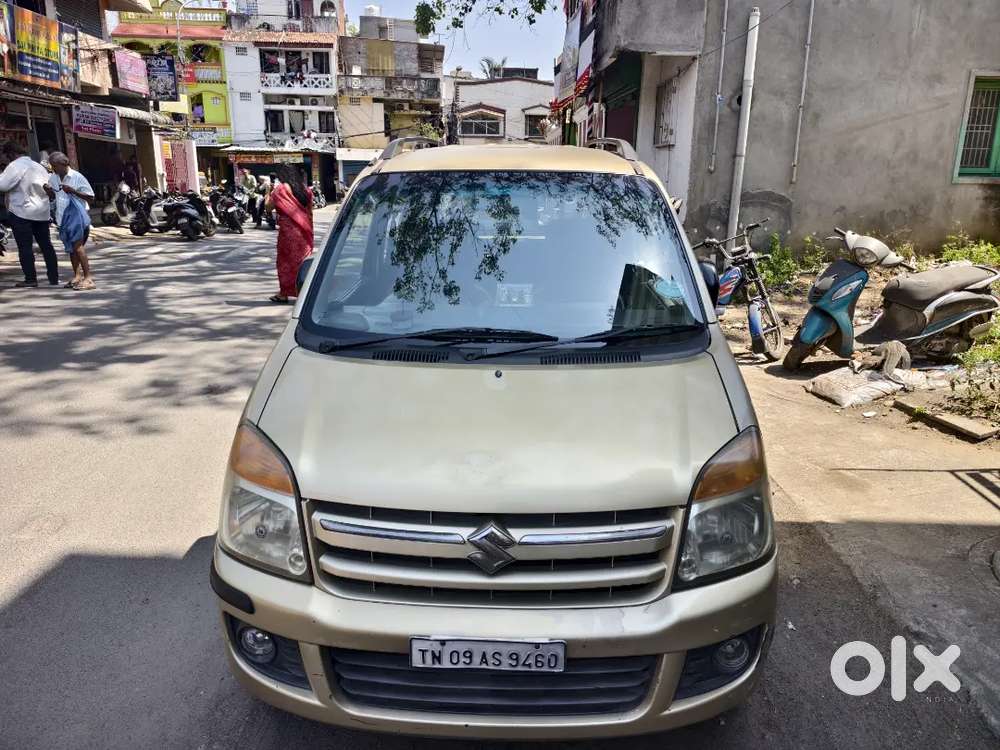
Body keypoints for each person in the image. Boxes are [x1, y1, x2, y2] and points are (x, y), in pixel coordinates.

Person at [0, 141, 59, 287]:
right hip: (42, 212)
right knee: (46, 246)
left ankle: (31, 279)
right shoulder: (38, 166)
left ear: (10, 154)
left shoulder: (15, 166)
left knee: (25, 247)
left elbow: (3, 185)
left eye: (5, 157)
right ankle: (53, 278)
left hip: (22, 212)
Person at [46, 151, 95, 290]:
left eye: (55, 166)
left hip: (76, 217)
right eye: (52, 166)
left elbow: (91, 197)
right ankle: (77, 276)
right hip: (62, 218)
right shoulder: (54, 177)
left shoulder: (77, 177)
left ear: (63, 164)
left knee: (78, 247)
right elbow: (52, 196)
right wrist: (48, 190)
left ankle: (88, 278)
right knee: (72, 249)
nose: (54, 169)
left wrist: (73, 191)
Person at [266, 164, 312, 303]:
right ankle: (304, 292)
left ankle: (284, 293)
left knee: (285, 263)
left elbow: (268, 207)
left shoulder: (280, 189)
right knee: (302, 262)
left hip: (288, 232)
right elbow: (310, 212)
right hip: (304, 231)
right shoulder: (305, 190)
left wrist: (268, 192)